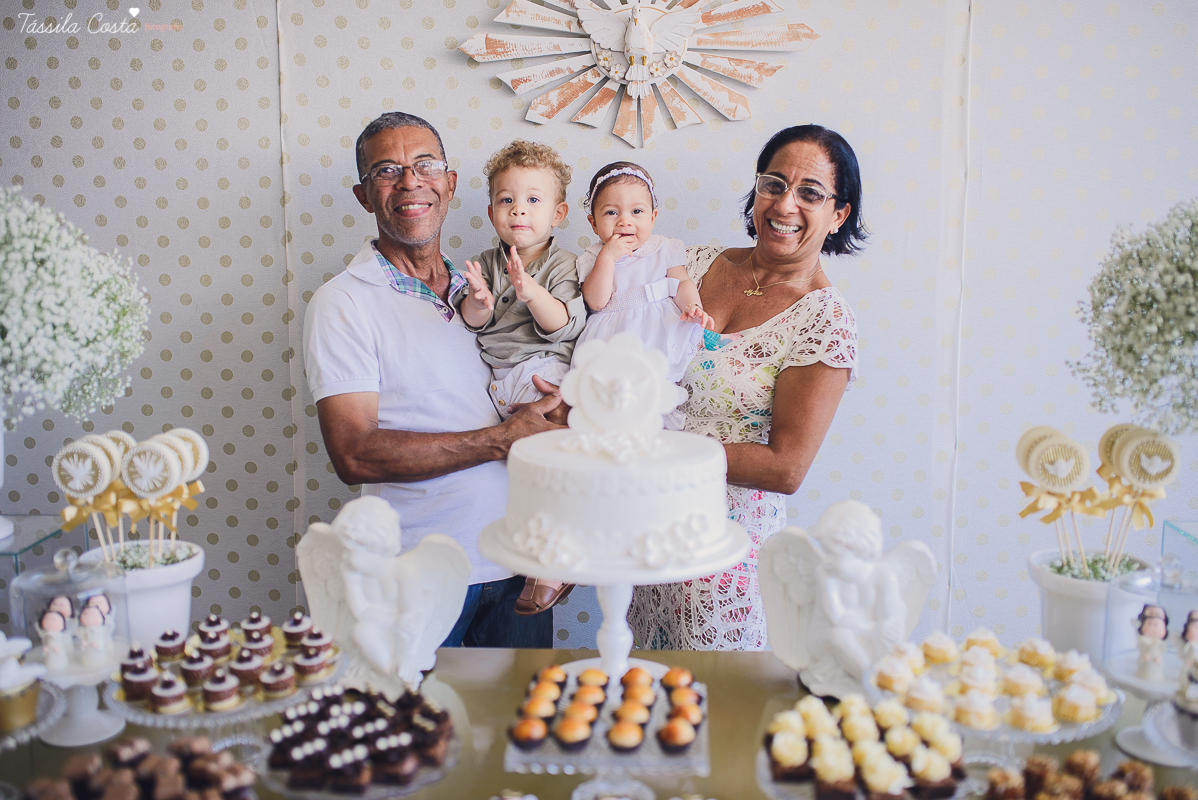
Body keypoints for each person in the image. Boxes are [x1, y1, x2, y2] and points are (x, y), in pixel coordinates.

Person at [302, 112, 562, 648]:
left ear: (451, 183)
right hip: (417, 573)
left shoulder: (487, 287)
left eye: (426, 165)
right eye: (387, 171)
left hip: (520, 564)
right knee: (417, 724)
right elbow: (354, 454)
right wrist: (499, 441)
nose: (410, 181)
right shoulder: (343, 302)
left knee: (519, 724)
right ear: (364, 195)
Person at [626, 124, 863, 650]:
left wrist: (656, 448)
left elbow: (786, 468)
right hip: (648, 539)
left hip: (727, 566)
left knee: (718, 722)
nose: (785, 205)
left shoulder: (825, 320)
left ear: (838, 214)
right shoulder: (698, 263)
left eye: (810, 193)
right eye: (774, 184)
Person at [574, 161, 714, 409]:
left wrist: (693, 305)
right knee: (609, 397)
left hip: (656, 327)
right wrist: (607, 257)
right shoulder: (592, 257)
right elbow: (595, 301)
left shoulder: (665, 248)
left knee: (657, 389)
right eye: (611, 213)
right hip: (612, 336)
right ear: (593, 223)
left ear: (653, 217)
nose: (624, 221)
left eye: (636, 212)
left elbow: (681, 283)